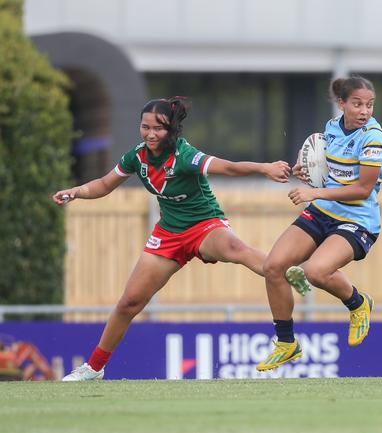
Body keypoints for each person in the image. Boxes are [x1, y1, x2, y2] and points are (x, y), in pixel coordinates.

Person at [53, 97, 290, 381]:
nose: (151, 134)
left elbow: (227, 167)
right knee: (129, 303)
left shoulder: (185, 155)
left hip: (204, 225)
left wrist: (264, 168)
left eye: (159, 128)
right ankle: (94, 368)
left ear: (172, 130)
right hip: (168, 234)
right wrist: (76, 191)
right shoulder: (137, 157)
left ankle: (288, 270)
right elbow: (104, 185)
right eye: (145, 127)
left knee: (234, 248)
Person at [256, 76, 382, 371]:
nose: (364, 111)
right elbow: (325, 167)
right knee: (273, 266)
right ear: (342, 104)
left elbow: (363, 189)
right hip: (322, 211)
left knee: (316, 271)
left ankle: (358, 304)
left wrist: (315, 191)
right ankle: (286, 343)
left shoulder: (373, 138)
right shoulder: (331, 128)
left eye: (369, 105)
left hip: (357, 219)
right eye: (357, 104)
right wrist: (306, 170)